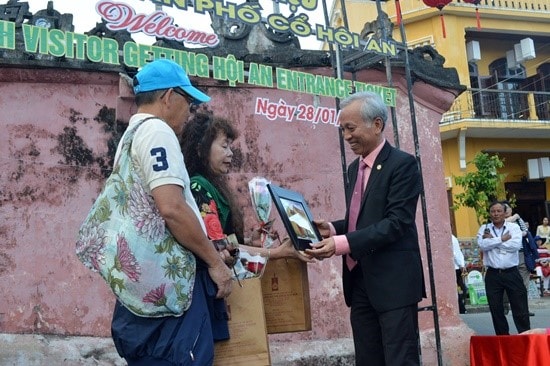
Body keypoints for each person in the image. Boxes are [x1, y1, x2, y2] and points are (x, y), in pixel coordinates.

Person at [110, 59, 233, 366]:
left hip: (144, 286)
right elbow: (172, 208)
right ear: (168, 97)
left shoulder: (131, 135)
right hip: (169, 293)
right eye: (187, 102)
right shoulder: (157, 132)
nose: (189, 112)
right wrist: (215, 262)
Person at [305, 91, 426, 365]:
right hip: (360, 281)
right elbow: (361, 219)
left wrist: (341, 243)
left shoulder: (403, 165)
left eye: (351, 128)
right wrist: (334, 229)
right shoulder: (353, 169)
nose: (347, 136)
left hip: (393, 284)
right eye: (343, 130)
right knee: (367, 358)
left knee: (400, 359)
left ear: (377, 125)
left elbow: (396, 223)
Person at [180, 112, 312, 262]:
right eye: (224, 146)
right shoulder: (198, 186)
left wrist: (249, 241)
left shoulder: (212, 185)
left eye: (230, 146)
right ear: (200, 149)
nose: (230, 153)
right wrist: (276, 252)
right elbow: (220, 247)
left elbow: (226, 241)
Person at [477, 201, 530, 335]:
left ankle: (525, 336)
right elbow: (482, 245)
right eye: (493, 211)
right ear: (490, 214)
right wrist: (502, 239)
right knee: (496, 309)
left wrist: (493, 240)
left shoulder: (513, 228)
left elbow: (516, 246)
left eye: (499, 211)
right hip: (493, 274)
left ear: (505, 213)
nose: (496, 214)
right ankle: (503, 339)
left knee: (520, 307)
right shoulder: (484, 228)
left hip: (512, 272)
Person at [504, 203, 538, 315]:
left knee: (524, 284)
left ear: (511, 208)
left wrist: (517, 219)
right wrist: (515, 217)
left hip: (522, 254)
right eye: (502, 209)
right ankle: (507, 304)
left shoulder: (519, 220)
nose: (505, 210)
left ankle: (524, 309)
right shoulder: (501, 223)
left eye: (507, 208)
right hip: (507, 256)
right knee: (508, 282)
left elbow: (525, 233)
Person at [452, 234, 467, 314]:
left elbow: (455, 253)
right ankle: (461, 307)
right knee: (461, 287)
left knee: (460, 288)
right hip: (456, 266)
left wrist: (461, 265)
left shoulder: (451, 238)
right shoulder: (453, 238)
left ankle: (461, 306)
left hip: (456, 267)